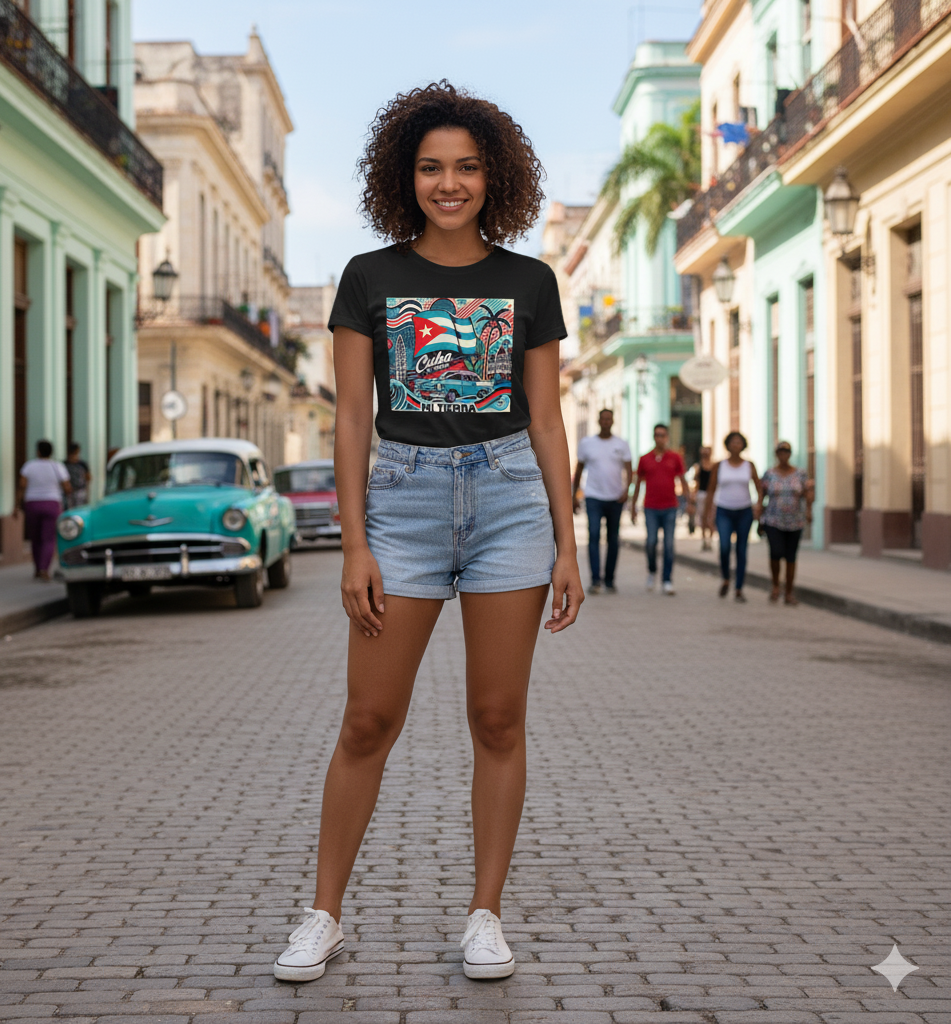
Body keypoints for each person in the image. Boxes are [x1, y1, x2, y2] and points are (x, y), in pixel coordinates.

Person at [273, 81, 583, 985]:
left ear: (496, 177)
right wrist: (355, 541)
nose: (450, 184)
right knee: (368, 720)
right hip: (402, 505)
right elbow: (349, 417)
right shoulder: (370, 276)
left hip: (509, 500)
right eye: (432, 168)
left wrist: (567, 543)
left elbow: (549, 420)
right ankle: (322, 915)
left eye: (467, 168)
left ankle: (485, 915)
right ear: (404, 177)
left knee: (497, 717)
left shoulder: (530, 281)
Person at [572, 409, 632, 593]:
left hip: (615, 498)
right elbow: (579, 469)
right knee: (594, 536)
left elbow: (630, 470)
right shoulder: (587, 443)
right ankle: (595, 580)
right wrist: (574, 495)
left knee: (613, 539)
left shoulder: (621, 444)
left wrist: (626, 491)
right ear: (599, 421)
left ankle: (610, 580)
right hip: (593, 497)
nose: (606, 422)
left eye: (609, 419)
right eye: (603, 419)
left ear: (613, 421)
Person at [629, 424, 692, 596]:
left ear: (667, 437)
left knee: (669, 545)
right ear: (653, 437)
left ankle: (667, 580)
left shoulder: (675, 457)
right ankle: (652, 571)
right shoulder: (645, 458)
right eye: (657, 435)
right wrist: (633, 506)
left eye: (663, 435)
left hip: (670, 507)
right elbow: (637, 483)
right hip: (650, 507)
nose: (660, 438)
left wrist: (689, 502)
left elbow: (683, 480)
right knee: (651, 543)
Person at [704, 431, 762, 603]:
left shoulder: (749, 465)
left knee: (742, 549)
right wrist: (708, 513)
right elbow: (711, 489)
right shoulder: (719, 466)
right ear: (727, 445)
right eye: (733, 442)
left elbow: (758, 486)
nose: (736, 445)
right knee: (724, 546)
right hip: (724, 510)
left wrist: (758, 504)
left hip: (744, 510)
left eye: (739, 442)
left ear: (743, 445)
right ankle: (726, 578)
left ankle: (739, 588)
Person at [760, 441, 814, 605]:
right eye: (780, 452)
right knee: (775, 552)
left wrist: (809, 510)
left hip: (794, 521)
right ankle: (776, 585)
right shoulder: (769, 473)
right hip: (773, 519)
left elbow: (807, 494)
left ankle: (789, 591)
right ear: (776, 454)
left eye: (787, 452)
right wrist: (759, 515)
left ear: (790, 454)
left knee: (791, 556)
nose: (783, 455)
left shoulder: (800, 474)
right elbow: (762, 495)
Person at [16, 440, 71, 581]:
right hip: (52, 504)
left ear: (38, 451)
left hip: (32, 504)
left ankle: (37, 568)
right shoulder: (57, 466)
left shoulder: (29, 466)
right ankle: (44, 569)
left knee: (36, 538)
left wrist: (16, 505)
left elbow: (22, 486)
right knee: (48, 539)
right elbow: (67, 487)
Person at [693, 445, 715, 551]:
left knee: (710, 518)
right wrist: (694, 494)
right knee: (702, 518)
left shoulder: (714, 466)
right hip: (701, 494)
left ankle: (709, 540)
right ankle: (703, 539)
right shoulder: (698, 466)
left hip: (712, 494)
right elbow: (697, 482)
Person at [65, 443, 91, 508]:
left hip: (80, 490)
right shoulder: (65, 464)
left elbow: (88, 478)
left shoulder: (82, 464)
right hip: (69, 492)